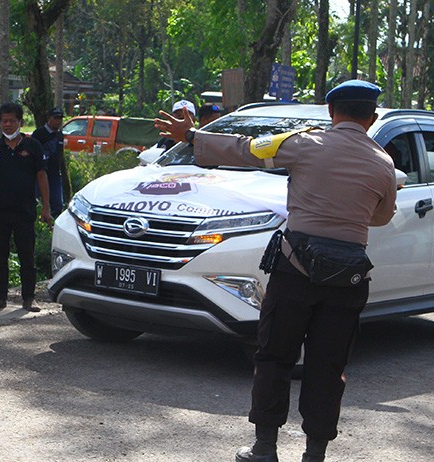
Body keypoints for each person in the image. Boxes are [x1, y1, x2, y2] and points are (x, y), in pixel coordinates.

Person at [155, 79, 398, 462]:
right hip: (348, 280)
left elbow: (246, 151)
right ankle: (314, 454)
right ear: (372, 118)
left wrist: (193, 137)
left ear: (332, 113)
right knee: (328, 366)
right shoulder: (384, 163)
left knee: (274, 356)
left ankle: (265, 447)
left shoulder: (305, 144)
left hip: (295, 271)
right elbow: (381, 217)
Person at [0, 101, 54, 312]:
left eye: (12, 121)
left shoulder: (32, 146)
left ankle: (29, 298)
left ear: (20, 122)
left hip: (24, 211)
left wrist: (46, 208)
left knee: (27, 256)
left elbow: (42, 176)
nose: (8, 125)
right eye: (4, 121)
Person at [31, 107, 65, 217]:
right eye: (56, 118)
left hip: (54, 175)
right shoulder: (39, 134)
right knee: (34, 201)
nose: (58, 121)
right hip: (39, 174)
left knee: (57, 204)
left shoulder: (60, 135)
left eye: (60, 118)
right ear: (49, 118)